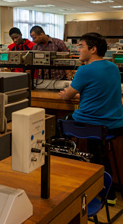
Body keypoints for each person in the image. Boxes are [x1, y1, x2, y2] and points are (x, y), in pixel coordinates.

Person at [58, 32, 123, 204]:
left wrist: (66, 94)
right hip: (115, 125)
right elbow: (100, 93)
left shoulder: (84, 70)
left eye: (81, 46)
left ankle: (67, 177)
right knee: (97, 148)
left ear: (93, 49)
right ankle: (109, 194)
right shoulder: (113, 67)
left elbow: (67, 96)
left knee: (58, 126)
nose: (78, 49)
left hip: (93, 125)